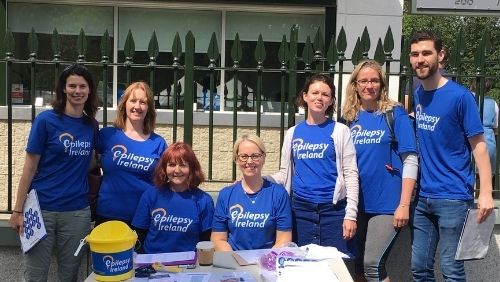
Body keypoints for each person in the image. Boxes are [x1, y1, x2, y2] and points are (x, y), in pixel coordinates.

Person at [409, 30, 495, 281]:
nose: (420, 59)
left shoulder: (461, 96)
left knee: (451, 270)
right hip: (423, 197)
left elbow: (479, 145)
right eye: (415, 54)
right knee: (419, 268)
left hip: (454, 197)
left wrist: (486, 192)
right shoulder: (418, 95)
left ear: (441, 55)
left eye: (426, 53)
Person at [9, 64, 99, 282]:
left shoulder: (91, 125)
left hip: (77, 212)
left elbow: (90, 163)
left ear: (89, 91)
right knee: (35, 276)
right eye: (72, 86)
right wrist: (18, 210)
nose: (77, 91)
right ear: (63, 89)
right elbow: (29, 168)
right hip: (41, 210)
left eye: (82, 86)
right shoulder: (46, 121)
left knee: (69, 275)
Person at [267, 74, 359, 258]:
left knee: (335, 267)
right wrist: (260, 179)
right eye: (315, 92)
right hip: (301, 211)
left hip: (333, 212)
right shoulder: (293, 133)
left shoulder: (341, 131)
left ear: (331, 100)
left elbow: (350, 174)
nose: (319, 98)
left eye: (325, 94)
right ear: (305, 96)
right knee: (304, 266)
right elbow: (285, 173)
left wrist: (351, 215)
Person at [342, 60, 418, 281]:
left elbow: (410, 159)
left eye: (374, 80)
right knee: (356, 268)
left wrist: (404, 205)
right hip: (356, 204)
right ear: (355, 85)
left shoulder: (394, 114)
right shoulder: (348, 118)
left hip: (387, 203)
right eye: (363, 80)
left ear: (382, 84)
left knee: (373, 265)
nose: (369, 85)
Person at [95, 81, 167, 226]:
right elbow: (86, 164)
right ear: (124, 104)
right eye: (133, 101)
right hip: (108, 215)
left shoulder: (158, 143)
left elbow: (164, 181)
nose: (137, 106)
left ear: (149, 108)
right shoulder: (107, 135)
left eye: (143, 102)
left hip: (143, 218)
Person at [211, 134, 292, 251]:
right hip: (234, 263)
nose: (249, 161)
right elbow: (218, 239)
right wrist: (234, 261)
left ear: (264, 158)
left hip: (266, 263)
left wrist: (265, 261)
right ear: (236, 159)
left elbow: (284, 239)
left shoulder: (278, 194)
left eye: (255, 156)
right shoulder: (226, 194)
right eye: (243, 156)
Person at [132, 142, 214, 253]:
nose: (177, 170)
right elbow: (139, 236)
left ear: (192, 168)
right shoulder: (151, 195)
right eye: (171, 165)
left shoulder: (204, 200)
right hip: (153, 263)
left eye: (183, 165)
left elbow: (205, 241)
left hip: (188, 264)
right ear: (164, 168)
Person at [470, 79, 498, 177]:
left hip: (469, 142)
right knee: (486, 174)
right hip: (488, 142)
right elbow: (496, 126)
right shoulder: (493, 103)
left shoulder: (467, 99)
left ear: (471, 86)